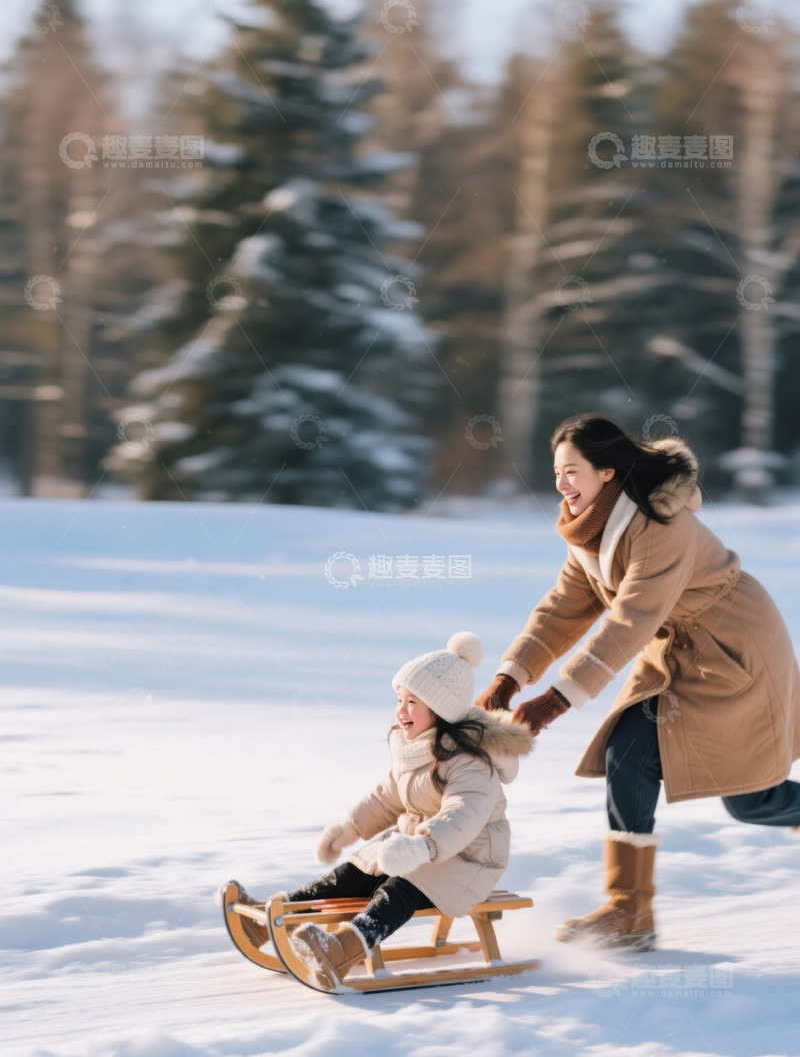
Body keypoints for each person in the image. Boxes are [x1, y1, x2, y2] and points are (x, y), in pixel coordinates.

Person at [476, 413, 800, 951]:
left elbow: (631, 619)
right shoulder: (587, 527)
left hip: (733, 647)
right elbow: (565, 606)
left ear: (607, 472)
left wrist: (555, 700)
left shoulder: (659, 523)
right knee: (627, 750)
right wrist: (509, 677)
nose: (561, 484)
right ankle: (630, 912)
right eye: (556, 472)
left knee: (750, 799)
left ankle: (631, 913)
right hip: (671, 651)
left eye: (572, 471)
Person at [275, 632, 534, 990]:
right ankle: (280, 913)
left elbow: (463, 814)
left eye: (413, 702)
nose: (401, 710)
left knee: (402, 887)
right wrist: (350, 828)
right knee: (359, 869)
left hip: (471, 858)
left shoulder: (471, 761)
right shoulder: (415, 750)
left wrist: (422, 847)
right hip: (420, 845)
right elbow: (386, 799)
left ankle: (342, 950)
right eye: (399, 699)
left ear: (441, 710)